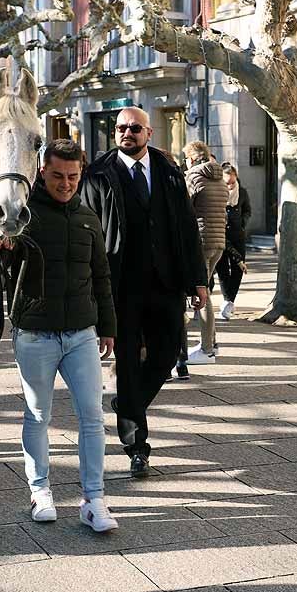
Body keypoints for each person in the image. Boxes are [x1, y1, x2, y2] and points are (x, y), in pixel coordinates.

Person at [0, 140, 118, 530]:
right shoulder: (23, 216)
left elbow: (102, 277)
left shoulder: (89, 218)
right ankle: (40, 492)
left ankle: (94, 500)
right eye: (58, 175)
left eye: (73, 176)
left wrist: (108, 327)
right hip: (35, 333)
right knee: (39, 414)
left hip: (82, 334)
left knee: (92, 417)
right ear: (42, 171)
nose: (66, 183)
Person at [81, 106, 207, 478]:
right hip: (121, 287)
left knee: (168, 353)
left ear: (149, 132)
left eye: (134, 128)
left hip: (165, 282)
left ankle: (127, 405)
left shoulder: (169, 171)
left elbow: (186, 227)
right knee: (130, 366)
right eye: (121, 128)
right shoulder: (99, 174)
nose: (126, 133)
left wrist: (197, 279)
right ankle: (137, 445)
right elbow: (90, 232)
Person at [181, 141, 228, 369]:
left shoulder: (194, 176)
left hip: (201, 239)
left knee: (203, 292)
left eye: (186, 159)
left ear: (192, 158)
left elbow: (184, 208)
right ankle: (212, 344)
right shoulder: (219, 177)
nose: (185, 163)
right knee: (207, 287)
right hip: (219, 240)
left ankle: (207, 349)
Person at [215, 163, 251, 321]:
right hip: (220, 234)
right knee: (223, 269)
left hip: (238, 234)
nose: (230, 185)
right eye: (227, 183)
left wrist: (242, 223)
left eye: (232, 182)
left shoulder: (242, 192)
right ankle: (227, 302)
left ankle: (228, 302)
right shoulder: (217, 193)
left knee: (238, 269)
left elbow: (247, 210)